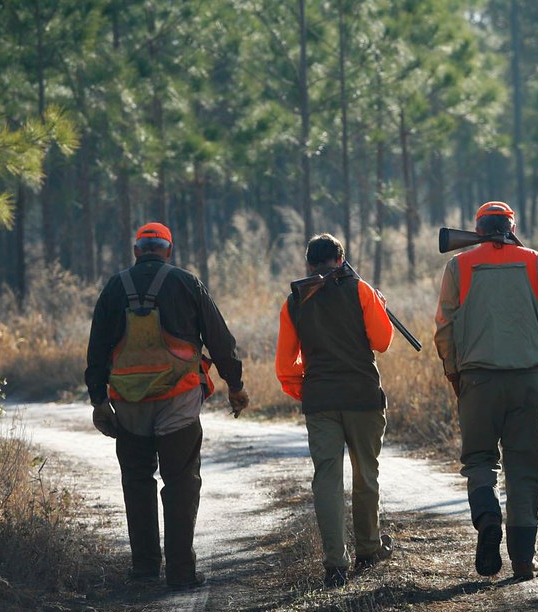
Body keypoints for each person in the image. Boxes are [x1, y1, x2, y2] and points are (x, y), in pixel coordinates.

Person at [433, 201, 538, 581]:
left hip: (477, 380)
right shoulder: (534, 261)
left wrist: (454, 373)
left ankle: (488, 518)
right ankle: (524, 561)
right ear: (511, 228)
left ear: (477, 231)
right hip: (527, 380)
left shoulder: (458, 266)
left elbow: (444, 328)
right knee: (524, 467)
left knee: (480, 460)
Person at [85, 222, 249, 591]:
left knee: (137, 481)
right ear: (168, 251)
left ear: (136, 251)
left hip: (129, 404)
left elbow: (96, 350)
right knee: (180, 482)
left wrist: (98, 401)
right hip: (179, 401)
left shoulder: (114, 287)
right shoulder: (187, 283)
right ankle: (180, 572)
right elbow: (220, 341)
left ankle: (144, 570)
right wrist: (234, 384)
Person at [275, 233, 395, 588]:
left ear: (308, 264)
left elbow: (285, 365)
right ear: (341, 261)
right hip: (363, 397)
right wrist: (378, 304)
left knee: (327, 480)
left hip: (321, 401)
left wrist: (308, 391)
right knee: (366, 474)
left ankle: (336, 565)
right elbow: (382, 341)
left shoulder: (295, 300)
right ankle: (369, 550)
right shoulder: (361, 291)